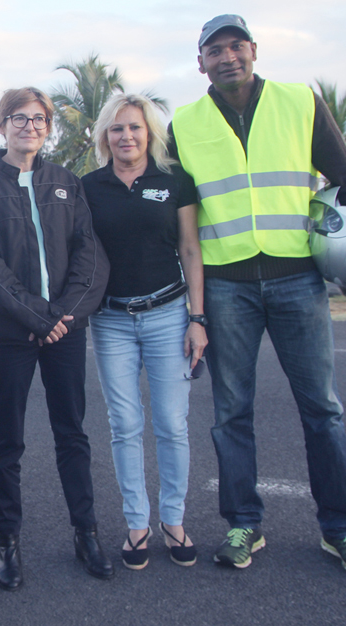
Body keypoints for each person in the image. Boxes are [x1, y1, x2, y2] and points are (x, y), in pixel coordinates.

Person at [169, 14, 346, 570]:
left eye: (235, 46)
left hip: (298, 275)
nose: (227, 57)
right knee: (231, 412)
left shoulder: (300, 101)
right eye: (214, 50)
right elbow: (182, 213)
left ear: (253, 50)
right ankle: (245, 525)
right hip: (226, 283)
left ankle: (337, 527)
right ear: (201, 62)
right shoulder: (184, 122)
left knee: (321, 409)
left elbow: (341, 173)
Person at [0, 87, 113, 586]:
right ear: (1, 125)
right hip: (10, 334)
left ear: (48, 127)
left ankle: (85, 531)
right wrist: (37, 317)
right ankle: (8, 541)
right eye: (18, 118)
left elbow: (90, 255)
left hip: (64, 332)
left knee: (73, 435)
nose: (30, 126)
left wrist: (61, 316)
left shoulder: (66, 181)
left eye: (39, 118)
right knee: (7, 442)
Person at [83, 94, 207, 570]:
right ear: (104, 137)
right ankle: (137, 523)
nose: (126, 137)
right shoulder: (89, 186)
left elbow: (191, 250)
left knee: (173, 424)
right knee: (124, 425)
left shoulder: (174, 180)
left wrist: (198, 319)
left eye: (134, 128)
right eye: (116, 129)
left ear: (149, 133)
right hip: (111, 320)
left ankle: (173, 521)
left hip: (169, 315)